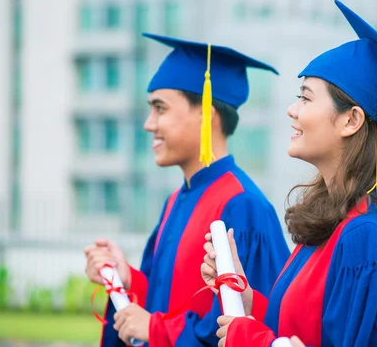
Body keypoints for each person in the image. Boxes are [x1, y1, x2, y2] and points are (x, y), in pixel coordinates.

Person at [202, 0, 377, 347]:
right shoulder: (338, 219)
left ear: (350, 120)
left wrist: (251, 340)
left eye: (306, 98)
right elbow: (311, 331)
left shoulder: (365, 235)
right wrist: (245, 297)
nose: (292, 110)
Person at [84, 34, 290, 347]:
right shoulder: (175, 201)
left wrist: (156, 329)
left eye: (160, 109)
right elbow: (164, 302)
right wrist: (127, 278)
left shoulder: (242, 205)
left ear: (206, 114)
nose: (149, 124)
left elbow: (251, 326)